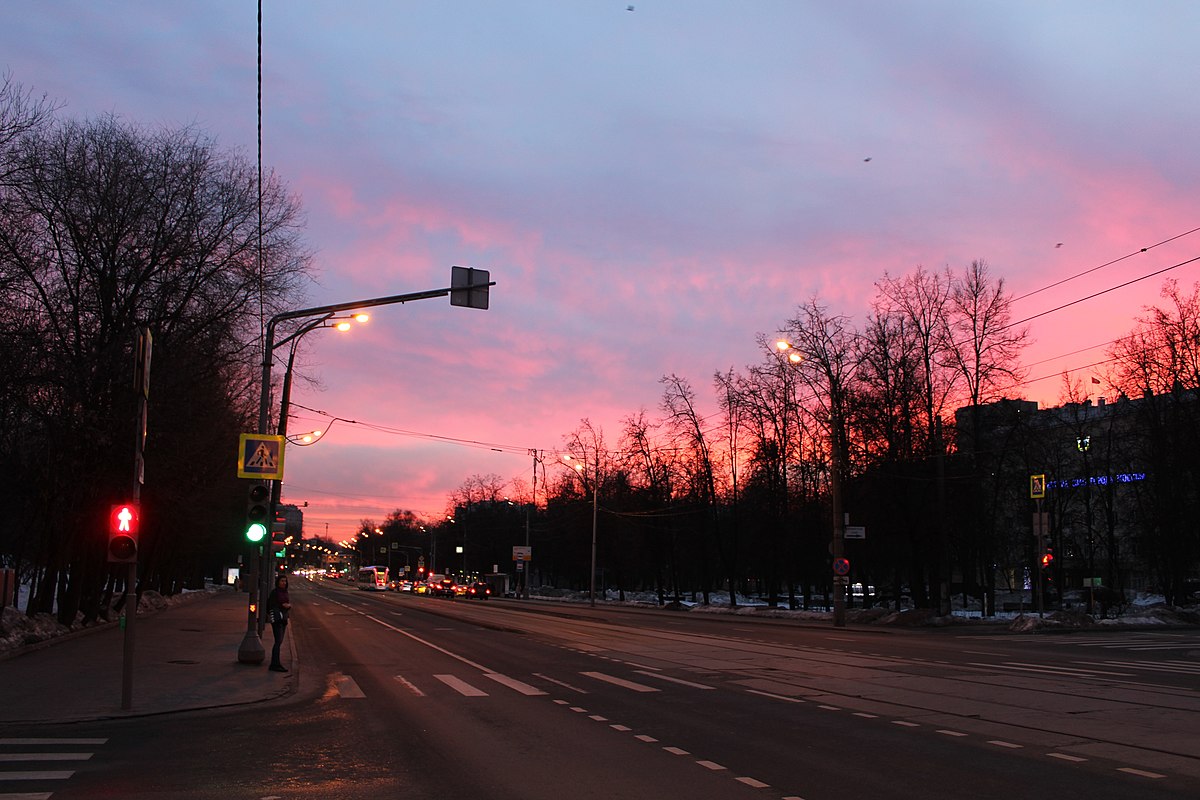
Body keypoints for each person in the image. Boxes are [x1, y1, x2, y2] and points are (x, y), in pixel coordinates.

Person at [266, 574, 292, 672]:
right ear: (278, 582)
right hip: (277, 620)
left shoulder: (285, 592)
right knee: (278, 641)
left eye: (285, 581)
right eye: (282, 581)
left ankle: (276, 663)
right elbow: (271, 605)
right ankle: (275, 664)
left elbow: (286, 603)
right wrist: (282, 605)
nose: (284, 583)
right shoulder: (275, 592)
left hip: (283, 619)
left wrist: (288, 606)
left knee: (279, 641)